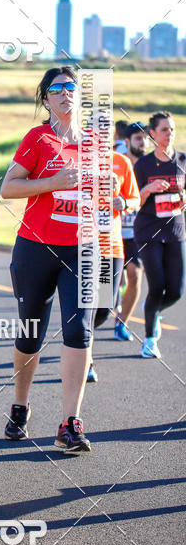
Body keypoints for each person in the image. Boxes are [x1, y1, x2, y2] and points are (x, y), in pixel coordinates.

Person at [0, 67, 96, 455]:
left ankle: (69, 423)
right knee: (31, 335)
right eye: (56, 89)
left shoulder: (94, 143)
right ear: (46, 100)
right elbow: (8, 187)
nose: (65, 92)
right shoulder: (38, 138)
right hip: (36, 248)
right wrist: (52, 183)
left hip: (82, 249)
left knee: (79, 332)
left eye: (71, 86)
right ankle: (20, 404)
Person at [133, 112, 186, 359]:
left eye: (172, 129)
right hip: (148, 231)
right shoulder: (142, 165)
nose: (169, 133)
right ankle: (149, 340)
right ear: (152, 134)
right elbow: (133, 201)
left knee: (176, 291)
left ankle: (152, 310)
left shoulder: (183, 160)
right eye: (164, 129)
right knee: (157, 285)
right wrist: (148, 188)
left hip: (175, 231)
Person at [88, 150, 140, 382]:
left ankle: (80, 337)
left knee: (104, 307)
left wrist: (124, 202)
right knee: (86, 307)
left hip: (111, 247)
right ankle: (85, 359)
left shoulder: (121, 161)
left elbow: (135, 199)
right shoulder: (77, 159)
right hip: (82, 246)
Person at [115, 123, 148, 341]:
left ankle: (122, 322)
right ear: (126, 142)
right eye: (138, 138)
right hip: (112, 233)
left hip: (137, 233)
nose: (143, 143)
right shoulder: (117, 162)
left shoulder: (151, 165)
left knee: (135, 276)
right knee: (116, 281)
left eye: (145, 138)